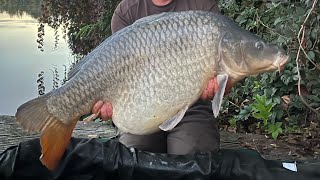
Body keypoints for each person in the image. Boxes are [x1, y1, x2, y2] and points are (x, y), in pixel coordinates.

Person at [92, 0, 229, 155]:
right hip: (139, 108)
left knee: (192, 154)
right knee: (134, 152)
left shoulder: (203, 5)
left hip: (191, 105)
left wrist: (217, 86)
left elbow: (227, 80)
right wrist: (108, 103)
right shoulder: (126, 11)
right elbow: (117, 72)